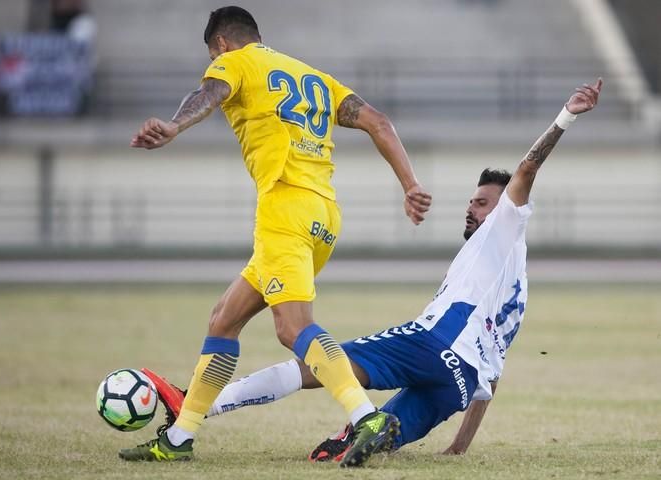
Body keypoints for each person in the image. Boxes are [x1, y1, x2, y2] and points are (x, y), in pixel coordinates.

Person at [144, 78, 603, 462]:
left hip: (432, 344)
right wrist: (458, 450)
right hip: (460, 383)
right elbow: (493, 374)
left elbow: (526, 169)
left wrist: (567, 114)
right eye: (471, 201)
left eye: (480, 203)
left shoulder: (506, 224)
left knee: (314, 366)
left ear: (504, 206)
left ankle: (197, 407)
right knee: (369, 441)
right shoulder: (514, 282)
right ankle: (352, 438)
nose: (471, 208)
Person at [119, 6, 432, 467]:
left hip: (284, 205)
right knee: (224, 319)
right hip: (323, 215)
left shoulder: (237, 61)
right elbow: (379, 121)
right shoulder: (314, 77)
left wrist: (174, 126)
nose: (214, 61)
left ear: (221, 44)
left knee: (292, 328)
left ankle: (365, 416)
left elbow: (208, 93)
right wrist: (410, 185)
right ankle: (180, 437)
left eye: (213, 54)